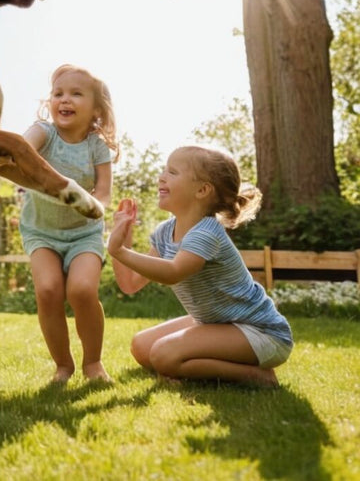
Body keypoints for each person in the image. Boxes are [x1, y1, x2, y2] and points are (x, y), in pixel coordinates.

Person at [107, 146, 293, 387]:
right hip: (217, 324)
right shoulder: (165, 232)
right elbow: (130, 284)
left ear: (202, 190)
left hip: (260, 332)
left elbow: (173, 273)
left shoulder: (207, 232)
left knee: (163, 355)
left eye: (172, 172)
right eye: (164, 170)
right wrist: (123, 241)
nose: (161, 177)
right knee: (141, 347)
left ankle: (256, 376)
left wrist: (120, 251)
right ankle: (183, 363)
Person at [17, 64, 120, 383]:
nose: (65, 100)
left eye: (76, 94)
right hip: (41, 231)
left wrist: (94, 207)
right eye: (58, 93)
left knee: (82, 290)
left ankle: (93, 363)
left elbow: (102, 194)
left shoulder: (96, 146)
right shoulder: (43, 132)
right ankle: (63, 365)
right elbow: (20, 150)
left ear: (96, 109)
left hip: (83, 233)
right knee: (47, 290)